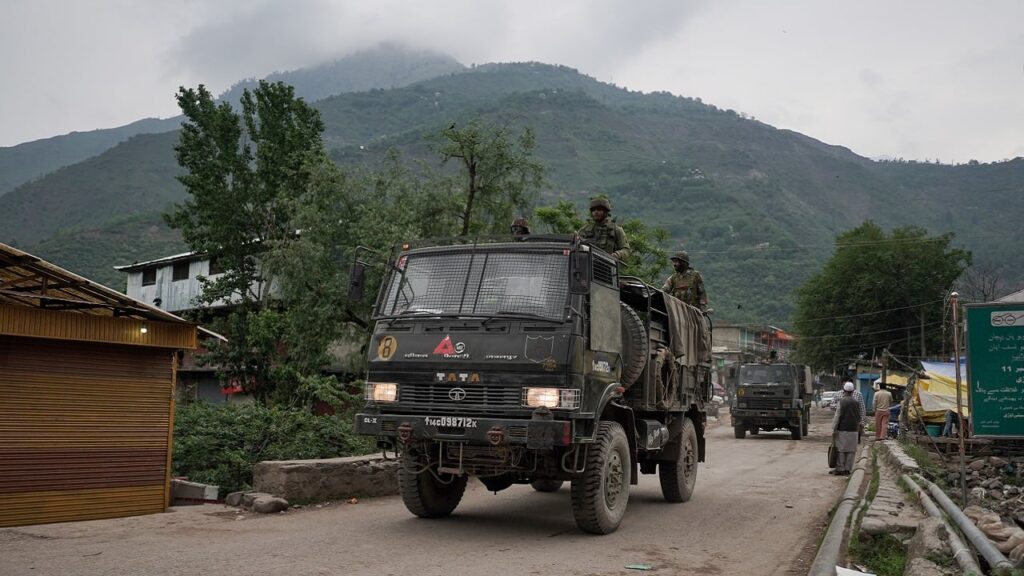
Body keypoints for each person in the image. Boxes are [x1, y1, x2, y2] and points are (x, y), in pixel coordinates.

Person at [831, 382, 861, 475]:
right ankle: (848, 469)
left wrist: (834, 428)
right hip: (854, 429)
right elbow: (859, 416)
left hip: (842, 429)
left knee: (841, 449)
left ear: (844, 391)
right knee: (851, 450)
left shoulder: (841, 402)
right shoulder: (856, 402)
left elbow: (837, 416)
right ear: (853, 391)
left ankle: (840, 469)